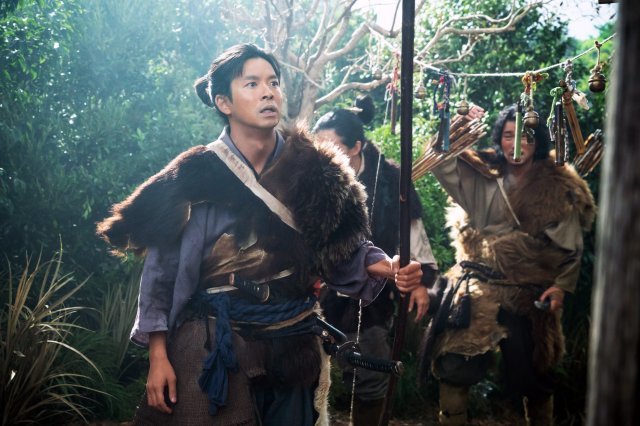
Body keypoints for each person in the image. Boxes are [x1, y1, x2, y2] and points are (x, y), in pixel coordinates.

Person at [96, 43, 424, 426]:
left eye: (273, 82)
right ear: (223, 102)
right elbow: (161, 274)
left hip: (293, 342)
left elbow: (344, 248)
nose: (268, 92)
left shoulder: (316, 169)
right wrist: (158, 357)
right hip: (214, 341)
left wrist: (389, 267)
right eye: (252, 84)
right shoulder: (193, 174)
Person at [421, 104, 595, 425]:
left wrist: (560, 287)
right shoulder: (483, 170)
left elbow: (571, 247)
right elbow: (441, 161)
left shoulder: (558, 183)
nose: (516, 144)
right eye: (508, 135)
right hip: (477, 285)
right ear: (499, 139)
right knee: (456, 365)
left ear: (537, 141)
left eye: (525, 136)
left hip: (527, 291)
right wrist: (457, 125)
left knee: (534, 374)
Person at [313, 95, 438, 425]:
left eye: (332, 147)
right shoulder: (313, 180)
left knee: (370, 375)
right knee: (307, 374)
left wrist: (420, 281)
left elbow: (412, 234)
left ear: (356, 147)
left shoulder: (390, 180)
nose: (323, 155)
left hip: (373, 293)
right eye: (318, 147)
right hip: (316, 290)